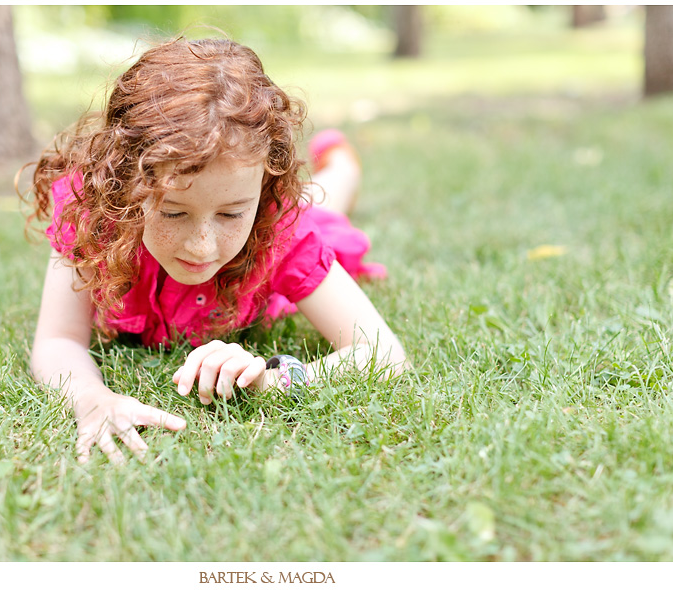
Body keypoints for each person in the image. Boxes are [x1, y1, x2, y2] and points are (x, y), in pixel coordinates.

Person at [23, 36, 407, 464]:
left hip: (291, 222)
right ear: (123, 182)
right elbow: (58, 338)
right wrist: (90, 397)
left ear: (264, 188)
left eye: (230, 214)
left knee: (323, 207)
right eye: (172, 213)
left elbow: (383, 354)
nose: (201, 246)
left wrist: (271, 379)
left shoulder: (279, 230)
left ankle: (343, 166)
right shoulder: (93, 213)